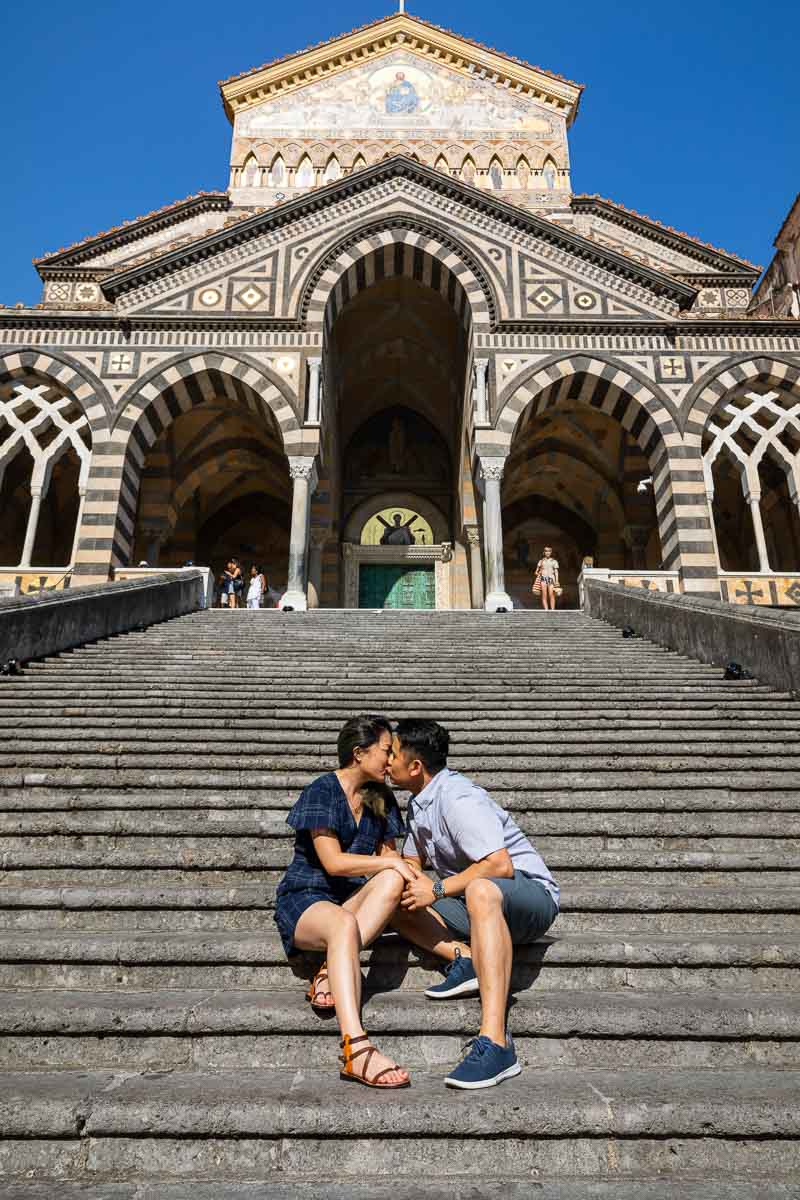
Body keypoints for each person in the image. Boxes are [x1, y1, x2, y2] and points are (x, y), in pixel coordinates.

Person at [388, 719, 559, 1090]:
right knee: (391, 894)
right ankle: (464, 959)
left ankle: (497, 1042)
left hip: (527, 898)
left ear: (415, 766)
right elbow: (413, 860)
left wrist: (433, 891)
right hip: (475, 904)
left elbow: (499, 865)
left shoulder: (457, 797)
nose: (386, 760)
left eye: (393, 754)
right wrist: (399, 872)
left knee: (481, 887)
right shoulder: (419, 804)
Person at [274, 715, 413, 1089]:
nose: (392, 759)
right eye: (387, 751)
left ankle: (327, 968)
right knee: (344, 922)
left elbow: (391, 863)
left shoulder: (382, 800)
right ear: (358, 753)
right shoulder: (322, 790)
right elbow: (333, 863)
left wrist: (397, 867)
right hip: (307, 898)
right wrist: (388, 860)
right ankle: (356, 1048)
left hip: (348, 902)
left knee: (392, 879)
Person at [534, 545, 560, 610]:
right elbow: (536, 572)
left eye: (549, 551)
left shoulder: (554, 561)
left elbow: (556, 572)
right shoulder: (541, 561)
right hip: (543, 579)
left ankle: (552, 610)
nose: (547, 552)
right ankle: (546, 609)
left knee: (551, 595)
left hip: (551, 579)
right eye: (546, 551)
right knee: (544, 595)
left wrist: (557, 581)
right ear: (544, 552)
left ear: (551, 552)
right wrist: (539, 573)